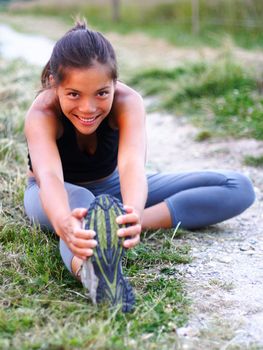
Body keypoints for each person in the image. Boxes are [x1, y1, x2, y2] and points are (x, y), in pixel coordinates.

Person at [24, 20, 255, 304]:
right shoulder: (42, 113)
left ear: (114, 83)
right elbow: (49, 178)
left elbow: (133, 166)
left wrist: (132, 212)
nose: (88, 108)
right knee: (82, 208)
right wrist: (63, 221)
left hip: (113, 187)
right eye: (74, 94)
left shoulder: (128, 101)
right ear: (53, 84)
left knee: (238, 186)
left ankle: (118, 224)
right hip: (55, 195)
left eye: (101, 93)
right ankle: (93, 273)